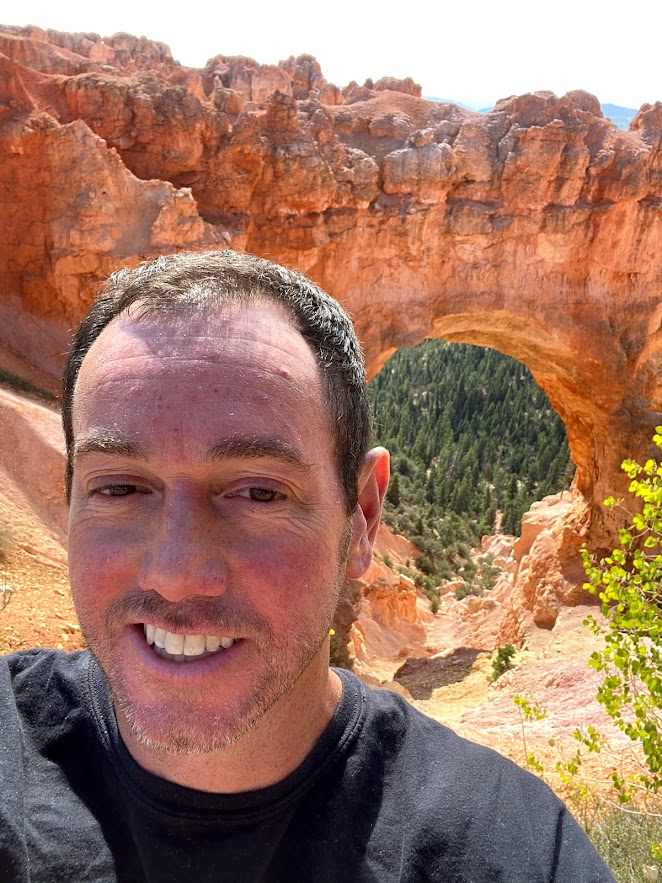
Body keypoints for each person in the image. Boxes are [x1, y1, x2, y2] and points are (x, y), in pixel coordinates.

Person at [0, 251, 614, 882]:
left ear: (362, 520)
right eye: (120, 488)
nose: (177, 572)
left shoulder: (516, 853)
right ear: (68, 495)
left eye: (259, 492)